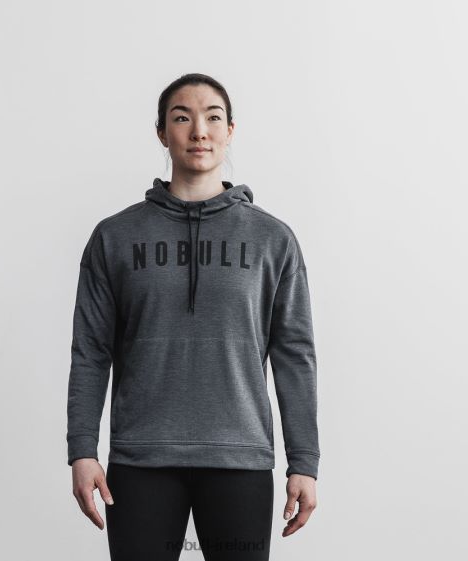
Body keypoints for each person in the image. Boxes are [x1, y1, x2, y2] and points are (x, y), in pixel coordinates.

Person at [67, 73, 320, 561]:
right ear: (162, 133)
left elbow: (295, 355)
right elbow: (91, 351)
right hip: (140, 458)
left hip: (240, 457)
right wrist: (82, 449)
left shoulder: (273, 240)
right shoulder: (114, 237)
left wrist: (303, 462)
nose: (199, 131)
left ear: (230, 130)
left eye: (213, 117)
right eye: (182, 118)